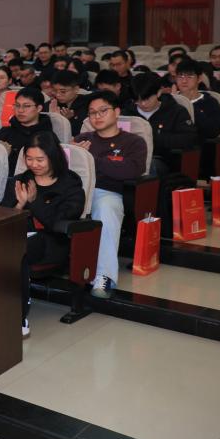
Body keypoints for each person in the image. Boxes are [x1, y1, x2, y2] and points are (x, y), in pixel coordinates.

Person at [1, 132, 85, 336]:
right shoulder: (21, 180)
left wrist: (34, 202)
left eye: (40, 159)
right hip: (19, 236)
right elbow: (2, 215)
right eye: (29, 159)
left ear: (53, 156)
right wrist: (20, 204)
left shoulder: (70, 183)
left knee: (15, 253)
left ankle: (18, 318)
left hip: (52, 242)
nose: (34, 164)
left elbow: (58, 222)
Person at [73, 91, 147, 297]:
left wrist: (90, 158)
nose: (97, 116)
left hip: (108, 192)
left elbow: (131, 170)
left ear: (116, 112)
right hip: (78, 190)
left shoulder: (133, 142)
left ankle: (104, 276)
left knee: (106, 209)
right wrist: (74, 153)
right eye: (92, 113)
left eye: (103, 111)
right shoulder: (82, 139)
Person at [127, 73, 198, 177]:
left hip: (161, 159)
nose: (143, 104)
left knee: (150, 166)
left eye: (147, 99)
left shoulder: (176, 111)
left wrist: (153, 138)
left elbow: (189, 138)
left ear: (159, 92)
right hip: (129, 157)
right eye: (137, 100)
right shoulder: (127, 113)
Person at [0, 87, 51, 172]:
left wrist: (6, 155)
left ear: (39, 108)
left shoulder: (47, 137)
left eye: (26, 106)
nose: (20, 110)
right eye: (17, 105)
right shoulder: (4, 132)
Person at [174, 59, 220, 141]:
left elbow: (213, 131)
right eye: (180, 76)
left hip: (198, 144)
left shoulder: (210, 102)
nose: (184, 81)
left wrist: (188, 104)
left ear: (199, 78)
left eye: (189, 76)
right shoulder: (169, 100)